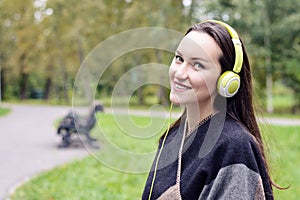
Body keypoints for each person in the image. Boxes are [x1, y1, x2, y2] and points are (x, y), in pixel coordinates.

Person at [142, 20, 275, 200]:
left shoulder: (233, 146)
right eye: (179, 58)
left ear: (226, 81)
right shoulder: (172, 137)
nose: (180, 73)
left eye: (198, 65)